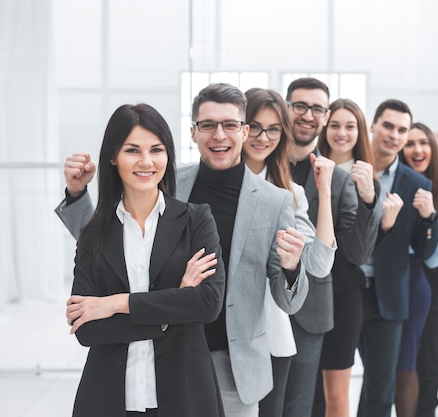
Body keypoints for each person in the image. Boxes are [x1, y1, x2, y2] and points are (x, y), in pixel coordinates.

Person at [56, 83, 310, 417]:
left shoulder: (274, 200)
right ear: (193, 132)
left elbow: (286, 300)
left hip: (231, 357)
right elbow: (110, 247)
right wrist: (77, 197)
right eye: (208, 125)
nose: (219, 135)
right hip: (164, 353)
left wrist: (292, 268)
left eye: (230, 125)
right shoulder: (165, 179)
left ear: (244, 131)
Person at [64, 103, 226, 417]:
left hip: (186, 394)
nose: (146, 161)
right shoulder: (93, 233)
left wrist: (113, 304)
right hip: (109, 396)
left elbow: (207, 303)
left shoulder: (196, 220)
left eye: (156, 149)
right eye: (132, 150)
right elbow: (87, 330)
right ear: (113, 156)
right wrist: (173, 308)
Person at [282, 79, 381, 417]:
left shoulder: (337, 178)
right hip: (262, 303)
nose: (308, 115)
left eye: (317, 109)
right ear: (286, 107)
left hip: (317, 304)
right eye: (300, 106)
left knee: (307, 402)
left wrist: (370, 200)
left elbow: (356, 252)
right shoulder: (263, 163)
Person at [240, 87, 337, 417]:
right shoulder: (208, 183)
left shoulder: (290, 193)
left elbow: (319, 264)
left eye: (273, 129)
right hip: (215, 329)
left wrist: (323, 191)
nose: (262, 137)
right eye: (253, 126)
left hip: (268, 329)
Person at [357, 99, 438, 417]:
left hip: (388, 296)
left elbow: (426, 251)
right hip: (346, 289)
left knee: (381, 387)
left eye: (402, 129)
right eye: (388, 126)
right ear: (374, 126)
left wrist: (431, 217)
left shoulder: (418, 184)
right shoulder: (349, 170)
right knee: (329, 382)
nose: (394, 135)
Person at [314, 98, 397, 417]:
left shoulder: (367, 181)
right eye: (334, 125)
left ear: (361, 131)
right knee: (307, 391)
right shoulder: (305, 167)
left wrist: (369, 200)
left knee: (336, 395)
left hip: (343, 292)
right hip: (304, 289)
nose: (341, 133)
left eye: (350, 126)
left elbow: (360, 251)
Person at [395, 122, 438, 417]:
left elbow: (435, 258)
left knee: (424, 362)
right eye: (410, 143)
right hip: (389, 281)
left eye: (424, 143)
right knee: (387, 367)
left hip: (426, 285)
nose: (417, 150)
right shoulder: (391, 184)